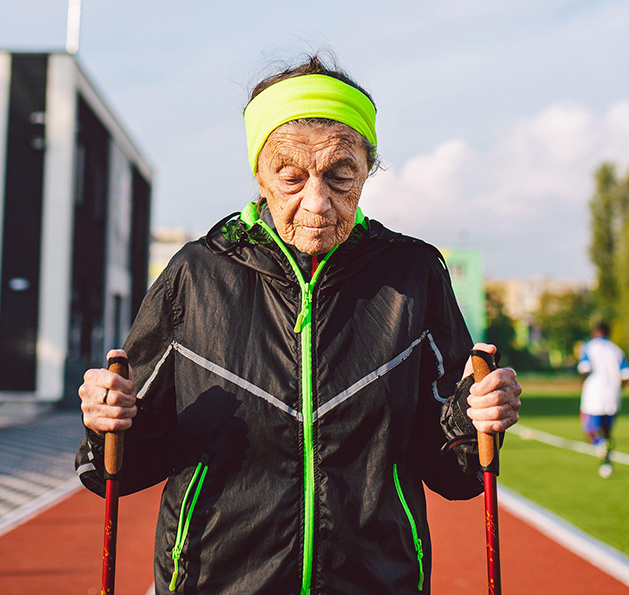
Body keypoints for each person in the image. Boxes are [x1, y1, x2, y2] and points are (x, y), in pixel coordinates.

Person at [76, 55, 521, 595]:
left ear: (368, 170)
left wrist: (473, 419)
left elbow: (454, 474)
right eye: (291, 177)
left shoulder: (414, 274)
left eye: (340, 175)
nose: (316, 202)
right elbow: (115, 471)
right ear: (258, 176)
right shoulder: (194, 277)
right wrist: (108, 424)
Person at [577, 321, 629, 478]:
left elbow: (585, 369)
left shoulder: (588, 347)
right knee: (608, 433)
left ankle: (600, 446)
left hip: (593, 395)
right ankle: (606, 465)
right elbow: (627, 376)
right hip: (612, 397)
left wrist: (583, 384)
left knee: (591, 431)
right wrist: (617, 388)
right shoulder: (616, 350)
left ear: (595, 331)